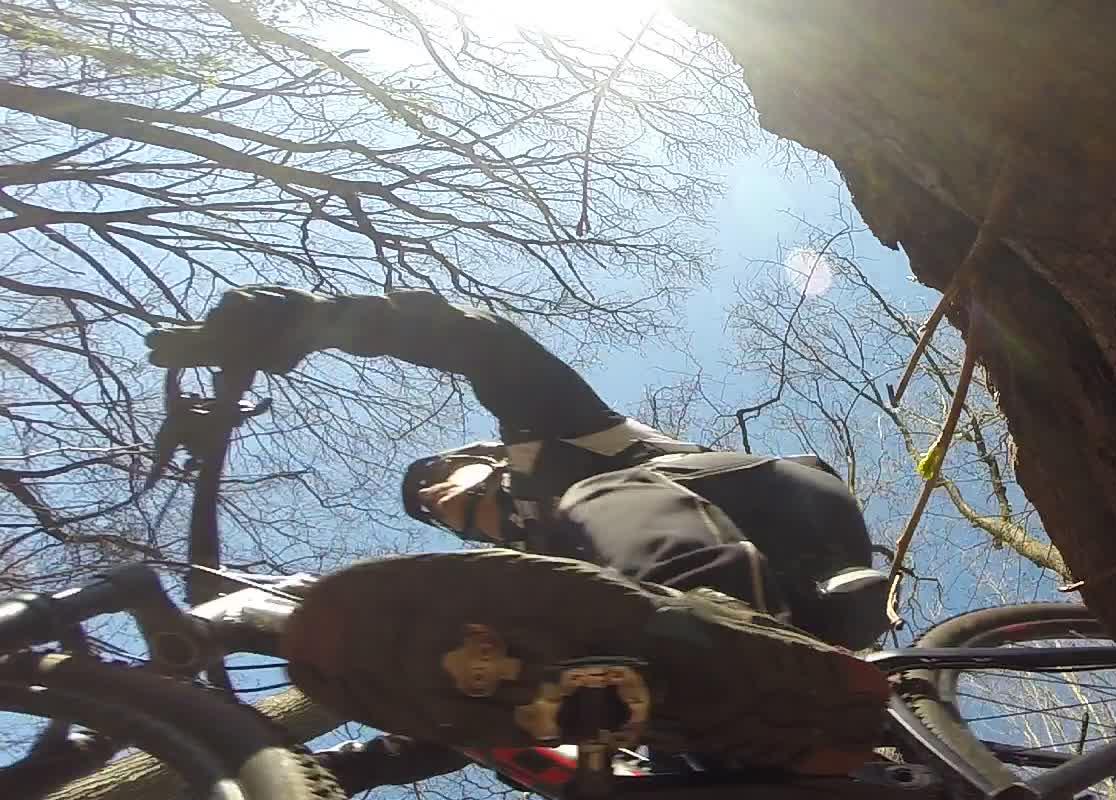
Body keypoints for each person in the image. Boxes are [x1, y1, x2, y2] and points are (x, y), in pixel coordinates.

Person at [145, 288, 897, 773]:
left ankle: (727, 631)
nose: (438, 501)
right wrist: (353, 767)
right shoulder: (545, 573)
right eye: (428, 508)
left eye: (440, 480)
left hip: (783, 523)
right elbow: (478, 694)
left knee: (591, 504)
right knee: (570, 670)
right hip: (710, 646)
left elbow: (483, 342)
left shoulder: (554, 442)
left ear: (484, 457)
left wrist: (303, 321)